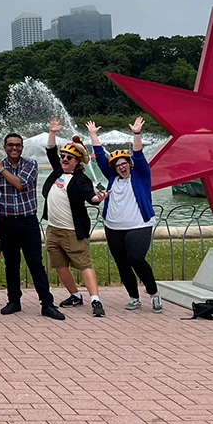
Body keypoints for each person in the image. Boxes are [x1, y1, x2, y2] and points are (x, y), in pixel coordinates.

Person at [0, 133, 66, 320]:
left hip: (27, 220)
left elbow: (20, 184)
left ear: (22, 147)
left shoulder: (30, 164)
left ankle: (47, 303)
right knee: (11, 263)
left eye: (18, 145)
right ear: (4, 147)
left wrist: (2, 169)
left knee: (35, 262)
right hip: (4, 221)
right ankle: (14, 301)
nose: (15, 148)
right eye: (11, 145)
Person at [88, 117, 162, 312]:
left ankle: (153, 293)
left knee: (136, 258)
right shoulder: (112, 177)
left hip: (139, 225)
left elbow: (138, 154)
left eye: (124, 163)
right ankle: (134, 297)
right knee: (122, 264)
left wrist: (136, 133)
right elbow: (100, 157)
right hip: (113, 227)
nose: (121, 166)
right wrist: (93, 135)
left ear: (129, 164)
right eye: (117, 165)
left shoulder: (141, 175)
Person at [43, 117, 108, 317]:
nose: (64, 159)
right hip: (53, 229)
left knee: (83, 264)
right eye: (63, 156)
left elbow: (90, 197)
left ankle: (95, 300)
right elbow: (51, 151)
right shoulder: (57, 171)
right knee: (59, 266)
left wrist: (98, 198)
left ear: (77, 161)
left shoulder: (81, 179)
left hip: (72, 230)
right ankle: (75, 295)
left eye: (69, 157)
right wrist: (52, 132)